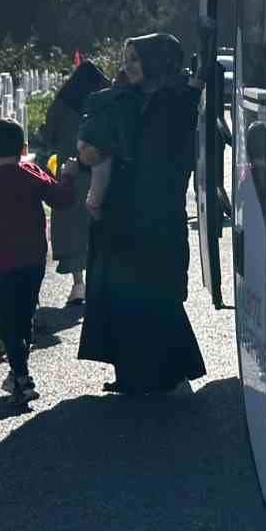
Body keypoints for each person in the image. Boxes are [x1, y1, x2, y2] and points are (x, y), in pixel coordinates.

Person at [77, 34, 207, 396]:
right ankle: (131, 374)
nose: (128, 66)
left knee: (158, 295)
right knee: (116, 293)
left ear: (157, 60)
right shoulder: (125, 99)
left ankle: (173, 374)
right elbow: (102, 144)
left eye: (136, 58)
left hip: (158, 214)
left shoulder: (177, 97)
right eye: (126, 58)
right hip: (120, 211)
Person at [0, 118, 77, 405]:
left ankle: (22, 377)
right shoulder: (33, 172)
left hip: (7, 261)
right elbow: (62, 198)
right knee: (26, 312)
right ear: (24, 147)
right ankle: (19, 372)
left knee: (8, 319)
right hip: (34, 258)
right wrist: (67, 175)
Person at [34, 60, 110, 305]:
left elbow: (48, 139)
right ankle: (100, 284)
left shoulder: (60, 105)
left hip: (70, 175)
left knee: (73, 232)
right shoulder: (101, 106)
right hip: (99, 174)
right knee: (96, 229)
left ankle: (79, 285)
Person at [76, 71, 140, 221]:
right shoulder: (127, 99)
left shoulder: (101, 96)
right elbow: (122, 130)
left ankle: (93, 203)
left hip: (85, 138)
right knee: (101, 176)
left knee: (97, 176)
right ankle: (93, 205)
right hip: (101, 145)